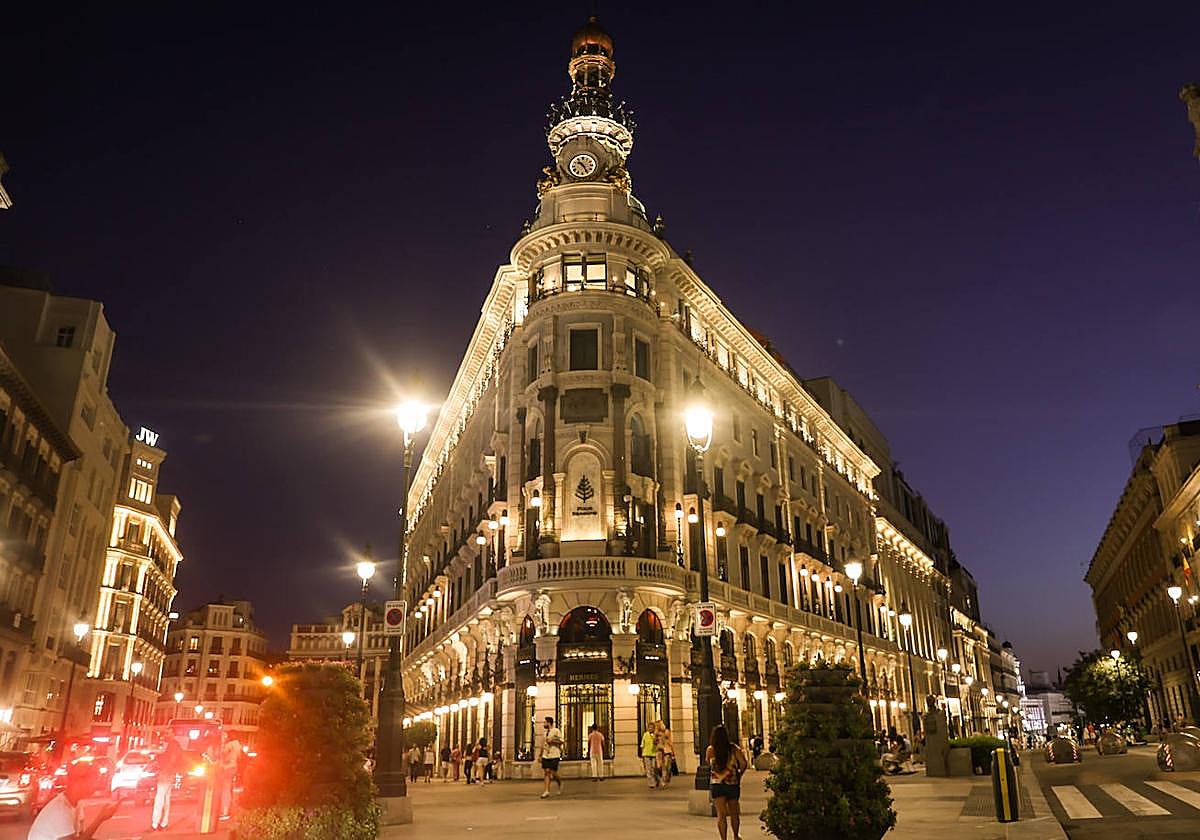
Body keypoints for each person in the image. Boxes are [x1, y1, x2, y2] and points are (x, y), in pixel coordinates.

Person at [28, 763, 119, 840]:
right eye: (95, 780)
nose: (97, 785)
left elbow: (82, 838)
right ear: (79, 782)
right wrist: (99, 819)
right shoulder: (61, 811)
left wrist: (100, 819)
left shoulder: (77, 805)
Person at [706, 725, 748, 840]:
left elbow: (708, 762)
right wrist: (739, 774)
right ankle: (735, 835)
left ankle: (723, 838)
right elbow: (744, 763)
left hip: (717, 784)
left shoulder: (711, 750)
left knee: (721, 814)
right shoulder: (734, 749)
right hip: (732, 784)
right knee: (734, 813)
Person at [152, 738, 186, 831]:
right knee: (166, 799)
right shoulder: (175, 752)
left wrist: (162, 771)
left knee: (160, 799)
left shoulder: (168, 753)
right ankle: (163, 822)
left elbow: (166, 762)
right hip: (170, 776)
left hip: (165, 776)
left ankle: (156, 822)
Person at [538, 716, 563, 799]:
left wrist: (552, 741)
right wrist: (540, 755)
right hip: (546, 755)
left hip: (554, 754)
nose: (543, 724)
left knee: (553, 772)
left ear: (549, 723)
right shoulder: (545, 733)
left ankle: (559, 782)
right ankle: (546, 791)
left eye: (545, 722)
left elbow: (561, 741)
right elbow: (543, 744)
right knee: (546, 772)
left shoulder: (556, 731)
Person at [640, 723, 660, 789]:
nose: (650, 728)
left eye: (652, 727)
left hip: (653, 754)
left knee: (654, 768)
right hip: (646, 754)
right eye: (649, 727)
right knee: (648, 769)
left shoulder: (656, 735)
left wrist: (655, 738)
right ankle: (651, 783)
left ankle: (656, 779)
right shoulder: (645, 734)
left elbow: (657, 743)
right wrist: (642, 754)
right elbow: (642, 744)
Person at [656, 723, 676, 788]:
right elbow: (654, 742)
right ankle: (661, 779)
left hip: (667, 751)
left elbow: (670, 742)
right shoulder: (656, 734)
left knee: (667, 767)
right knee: (659, 766)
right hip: (659, 751)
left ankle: (664, 779)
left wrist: (673, 752)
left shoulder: (666, 732)